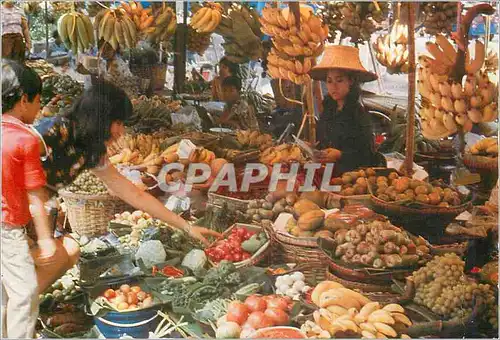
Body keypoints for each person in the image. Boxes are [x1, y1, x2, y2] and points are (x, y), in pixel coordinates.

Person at [30, 75, 219, 245]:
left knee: (69, 252)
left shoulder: (93, 150)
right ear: (100, 117)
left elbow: (133, 193)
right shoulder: (55, 130)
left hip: (33, 214)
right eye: (118, 123)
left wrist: (186, 227)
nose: (121, 132)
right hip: (14, 211)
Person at [2, 60, 56, 338]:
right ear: (24, 100)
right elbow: (36, 197)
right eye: (38, 101)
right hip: (7, 229)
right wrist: (46, 239)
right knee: (24, 294)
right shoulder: (25, 138)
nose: (39, 108)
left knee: (3, 298)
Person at [311, 45, 384, 176]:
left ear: (351, 81)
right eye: (329, 81)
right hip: (326, 173)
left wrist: (340, 155)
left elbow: (367, 155)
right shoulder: (328, 110)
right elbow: (323, 140)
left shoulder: (359, 114)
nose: (333, 86)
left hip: (351, 178)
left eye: (339, 80)